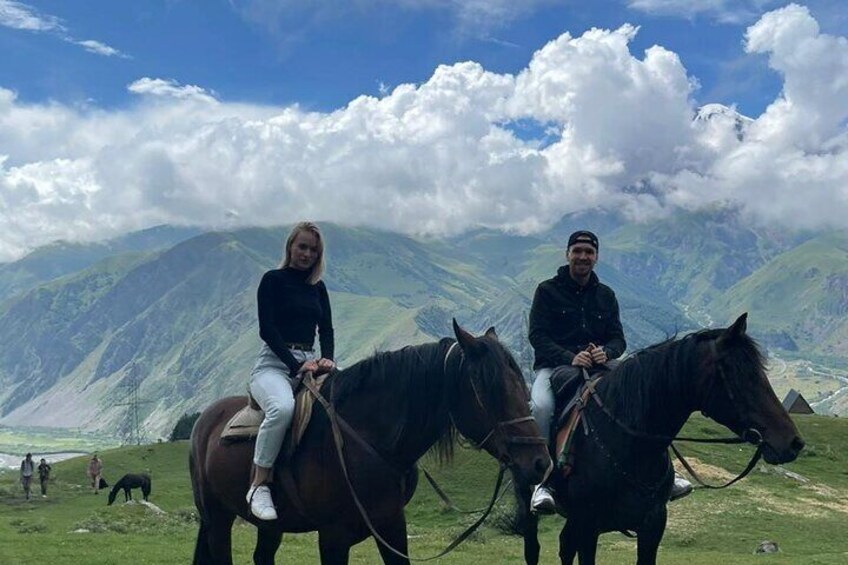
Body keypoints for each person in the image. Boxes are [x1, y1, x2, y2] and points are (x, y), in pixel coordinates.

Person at [528, 230, 692, 513]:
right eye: (577, 251)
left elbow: (618, 339)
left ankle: (664, 473)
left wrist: (608, 352)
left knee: (644, 398)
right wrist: (570, 357)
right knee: (542, 408)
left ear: (596, 257)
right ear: (567, 254)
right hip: (554, 367)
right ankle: (542, 482)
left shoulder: (606, 295)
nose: (582, 257)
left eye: (588, 252)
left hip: (600, 365)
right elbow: (538, 336)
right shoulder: (547, 291)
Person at [246, 221, 335, 521]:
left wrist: (329, 359)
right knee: (282, 409)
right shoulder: (272, 281)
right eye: (302, 246)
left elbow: (326, 328)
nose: (306, 254)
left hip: (310, 362)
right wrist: (296, 365)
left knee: (348, 401)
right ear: (290, 247)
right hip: (273, 364)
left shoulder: (317, 288)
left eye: (313, 249)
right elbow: (267, 330)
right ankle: (259, 484)